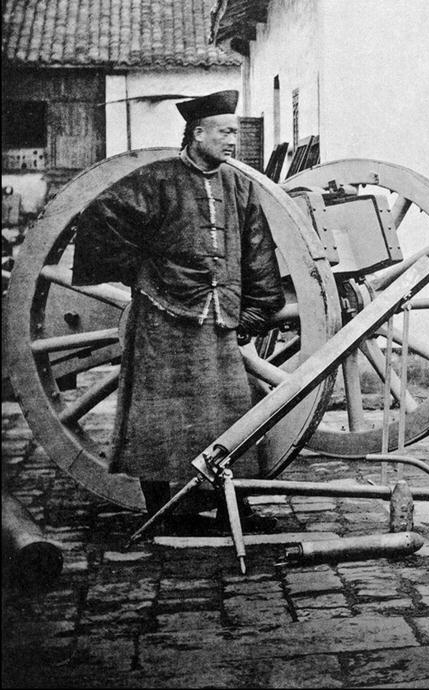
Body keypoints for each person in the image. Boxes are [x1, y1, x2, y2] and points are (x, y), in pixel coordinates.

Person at [73, 90, 284, 532]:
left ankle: (228, 505)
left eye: (237, 132)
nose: (233, 141)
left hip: (216, 315)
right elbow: (103, 213)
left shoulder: (239, 185)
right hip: (162, 314)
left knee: (226, 410)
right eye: (225, 132)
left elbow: (257, 251)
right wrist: (140, 271)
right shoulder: (157, 179)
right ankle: (159, 512)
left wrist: (257, 309)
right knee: (157, 412)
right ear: (197, 132)